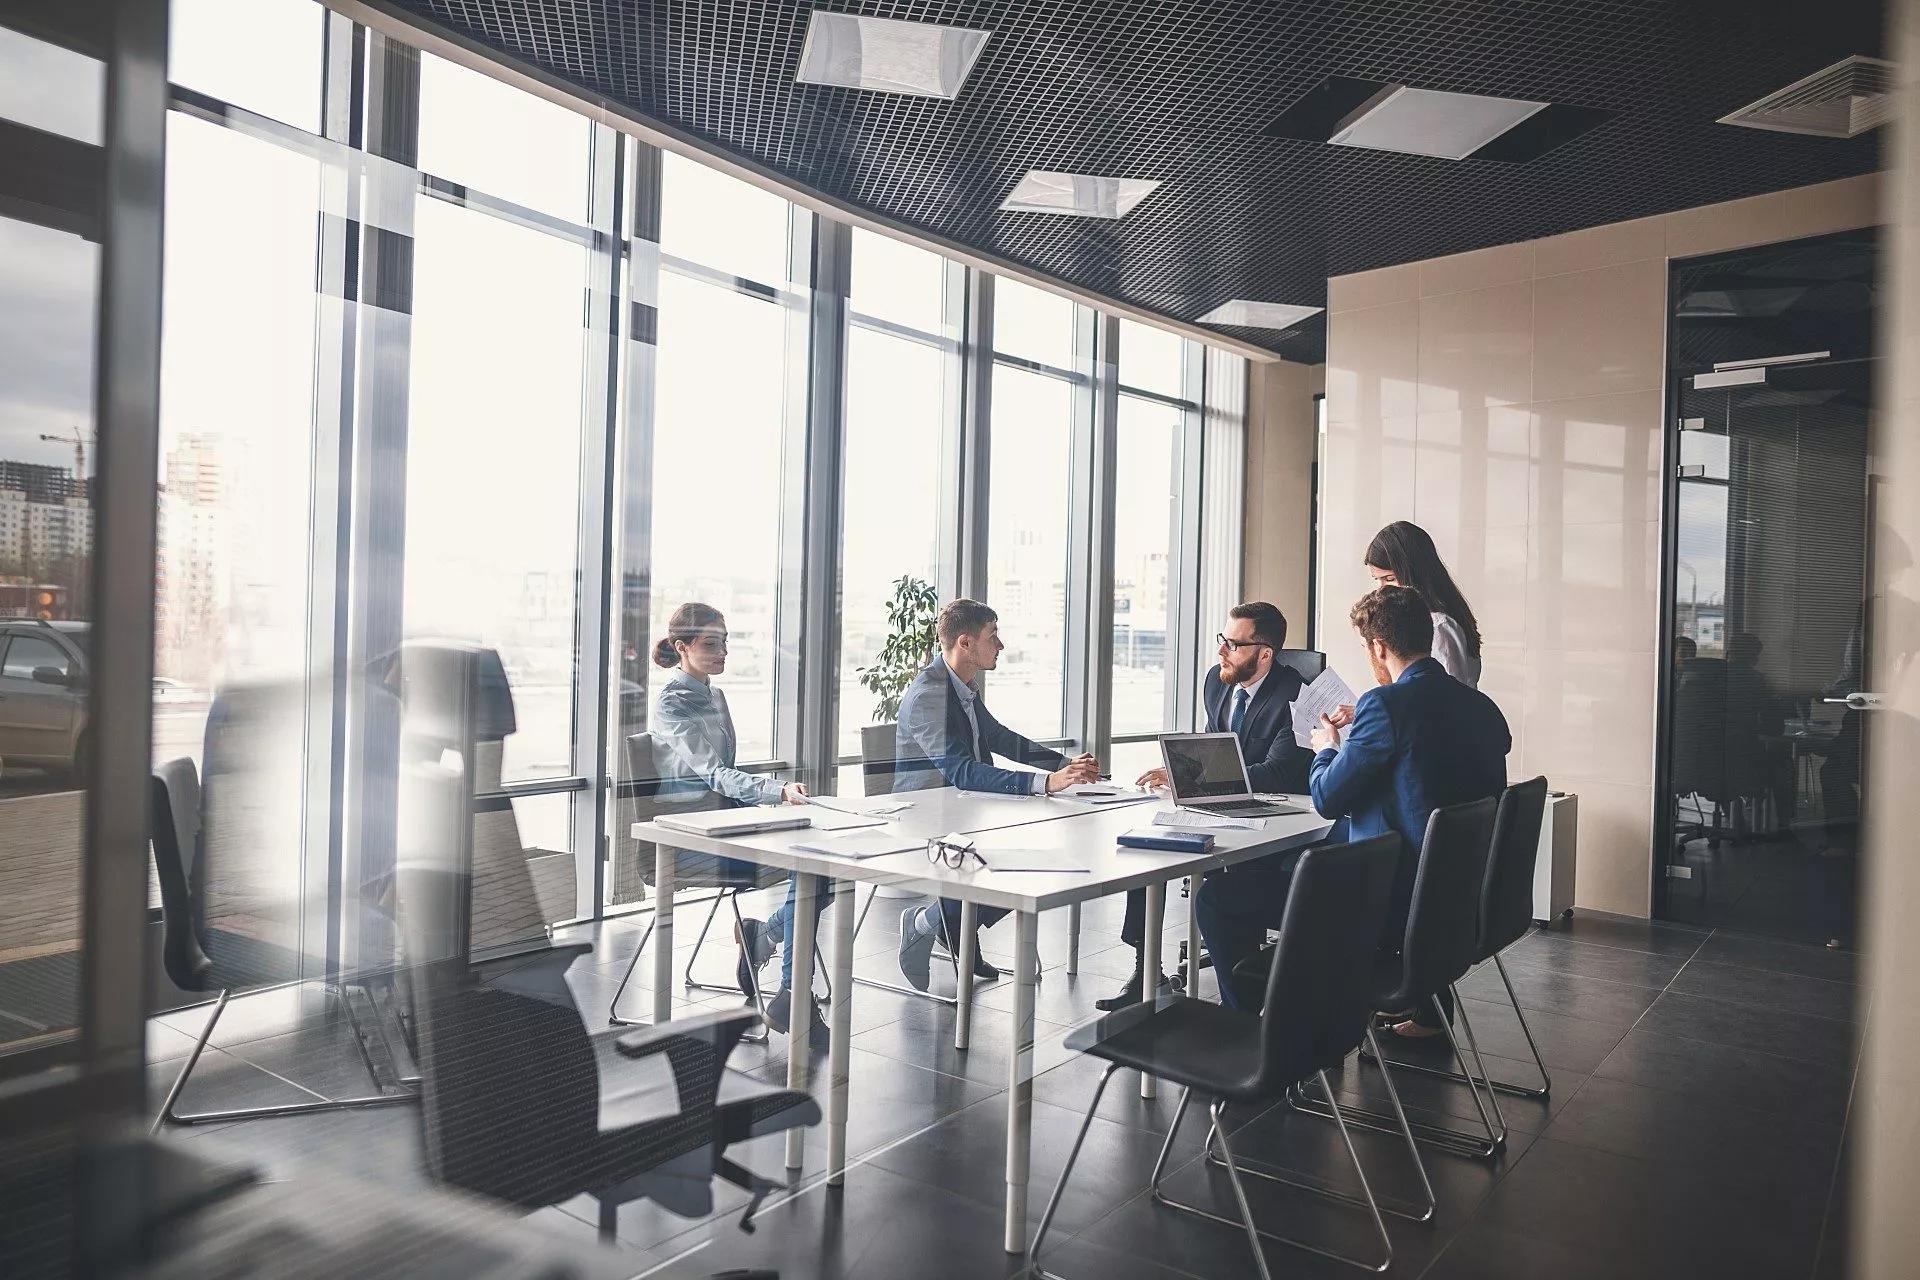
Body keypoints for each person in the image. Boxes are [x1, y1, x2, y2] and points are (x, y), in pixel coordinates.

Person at [1194, 586, 1509, 1027]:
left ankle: (1252, 1032)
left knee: (1218, 898)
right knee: (1274, 871)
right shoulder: (1483, 708)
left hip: (1382, 900)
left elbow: (1326, 798)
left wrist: (1327, 748)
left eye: (1366, 647)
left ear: (1379, 646)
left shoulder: (1385, 705)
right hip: (1454, 901)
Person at [1097, 601, 1314, 1011]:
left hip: (1276, 817)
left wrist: (1195, 778)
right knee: (1151, 847)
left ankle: (1249, 996)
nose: (1221, 652)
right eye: (1223, 640)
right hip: (1219, 804)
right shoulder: (1218, 681)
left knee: (1223, 891)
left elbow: (1278, 772)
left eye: (1233, 644)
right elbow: (1216, 749)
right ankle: (1148, 972)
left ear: (1264, 654)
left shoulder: (1296, 697)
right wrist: (1181, 771)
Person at [892, 599, 1100, 989]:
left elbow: (1000, 738)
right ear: (966, 643)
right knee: (1012, 866)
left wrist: (1063, 765)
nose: (1001, 645)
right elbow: (961, 771)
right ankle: (929, 923)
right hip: (926, 819)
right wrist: (1044, 784)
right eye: (994, 636)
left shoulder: (962, 687)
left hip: (964, 812)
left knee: (1028, 861)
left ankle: (948, 926)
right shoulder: (928, 695)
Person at [649, 602, 825, 1048]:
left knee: (823, 864)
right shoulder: (672, 702)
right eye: (711, 643)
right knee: (812, 869)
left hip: (726, 825)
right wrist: (774, 790)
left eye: (725, 642)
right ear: (681, 647)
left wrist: (774, 797)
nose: (722, 651)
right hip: (689, 838)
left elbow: (727, 777)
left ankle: (766, 942)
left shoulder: (715, 694)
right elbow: (714, 774)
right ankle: (790, 993)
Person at [1362, 520, 1483, 687]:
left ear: (1414, 574)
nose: (1381, 590)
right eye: (1378, 580)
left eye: (1390, 579)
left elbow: (1445, 703)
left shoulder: (1439, 627)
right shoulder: (1420, 621)